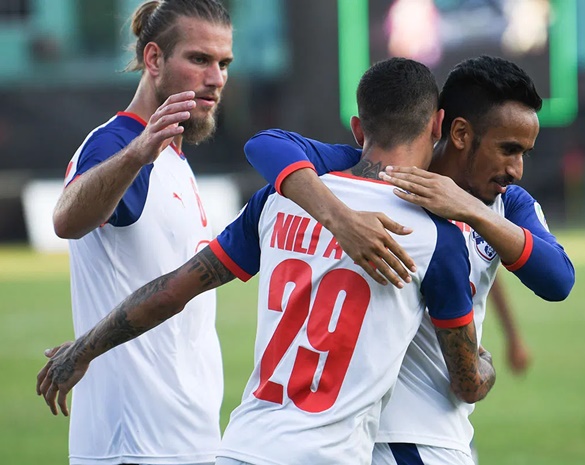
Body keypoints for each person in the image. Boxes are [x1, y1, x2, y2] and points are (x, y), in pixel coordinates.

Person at [37, 57, 496, 465]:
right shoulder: (437, 236)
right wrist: (485, 363)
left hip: (243, 447)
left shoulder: (281, 198)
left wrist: (85, 348)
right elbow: (466, 383)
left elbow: (174, 289)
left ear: (359, 130)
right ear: (437, 127)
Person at [242, 55, 575, 464]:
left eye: (524, 152)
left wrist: (471, 211)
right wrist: (339, 217)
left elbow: (558, 280)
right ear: (458, 132)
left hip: (442, 433)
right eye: (508, 150)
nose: (517, 169)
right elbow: (266, 145)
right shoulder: (374, 173)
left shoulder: (505, 207)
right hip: (395, 437)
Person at [44, 1, 233, 464]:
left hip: (186, 434)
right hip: (133, 442)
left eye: (223, 63)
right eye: (199, 59)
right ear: (153, 60)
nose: (216, 78)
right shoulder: (117, 145)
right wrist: (138, 153)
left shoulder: (172, 154)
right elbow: (66, 220)